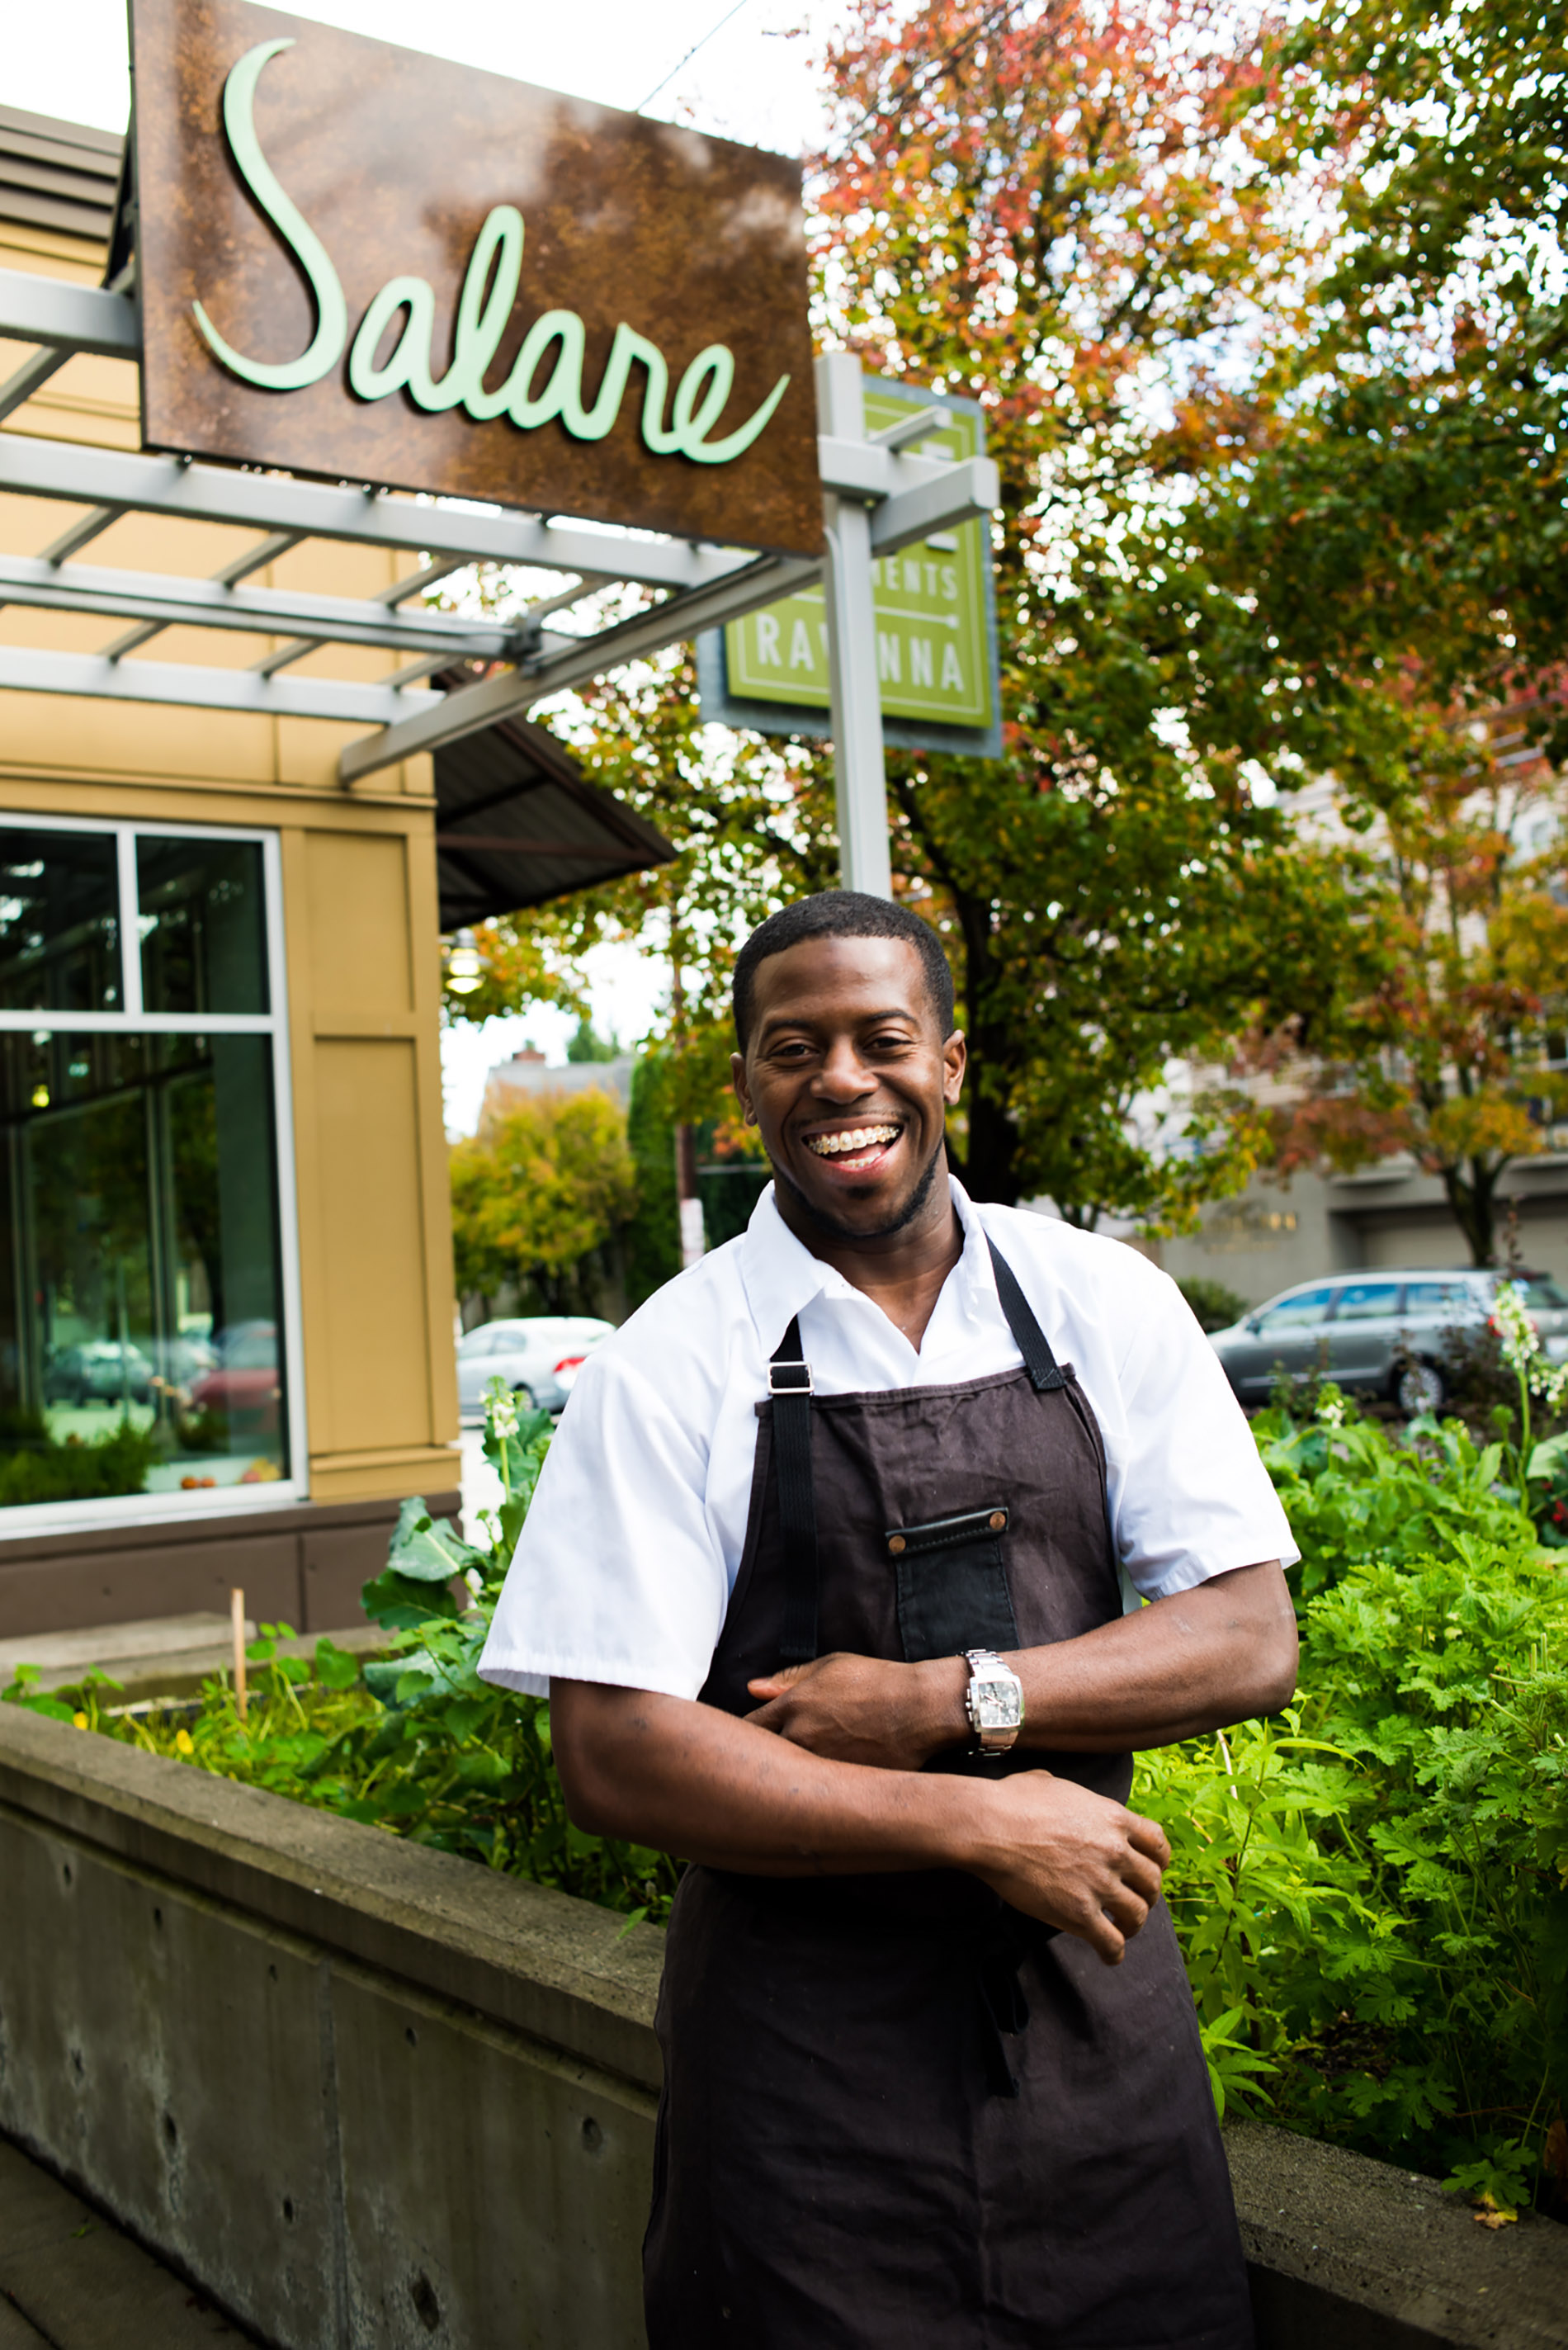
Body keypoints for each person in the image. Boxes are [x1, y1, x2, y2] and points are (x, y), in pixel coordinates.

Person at [479, 891, 1300, 2349]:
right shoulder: (674, 1363)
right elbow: (611, 1750)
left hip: (1096, 2039)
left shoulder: (1104, 1303)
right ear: (748, 1084)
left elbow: (1247, 1633)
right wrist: (979, 1824)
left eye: (883, 1037)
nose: (842, 1080)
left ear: (951, 1063)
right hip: (806, 2083)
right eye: (794, 1048)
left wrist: (947, 1704)